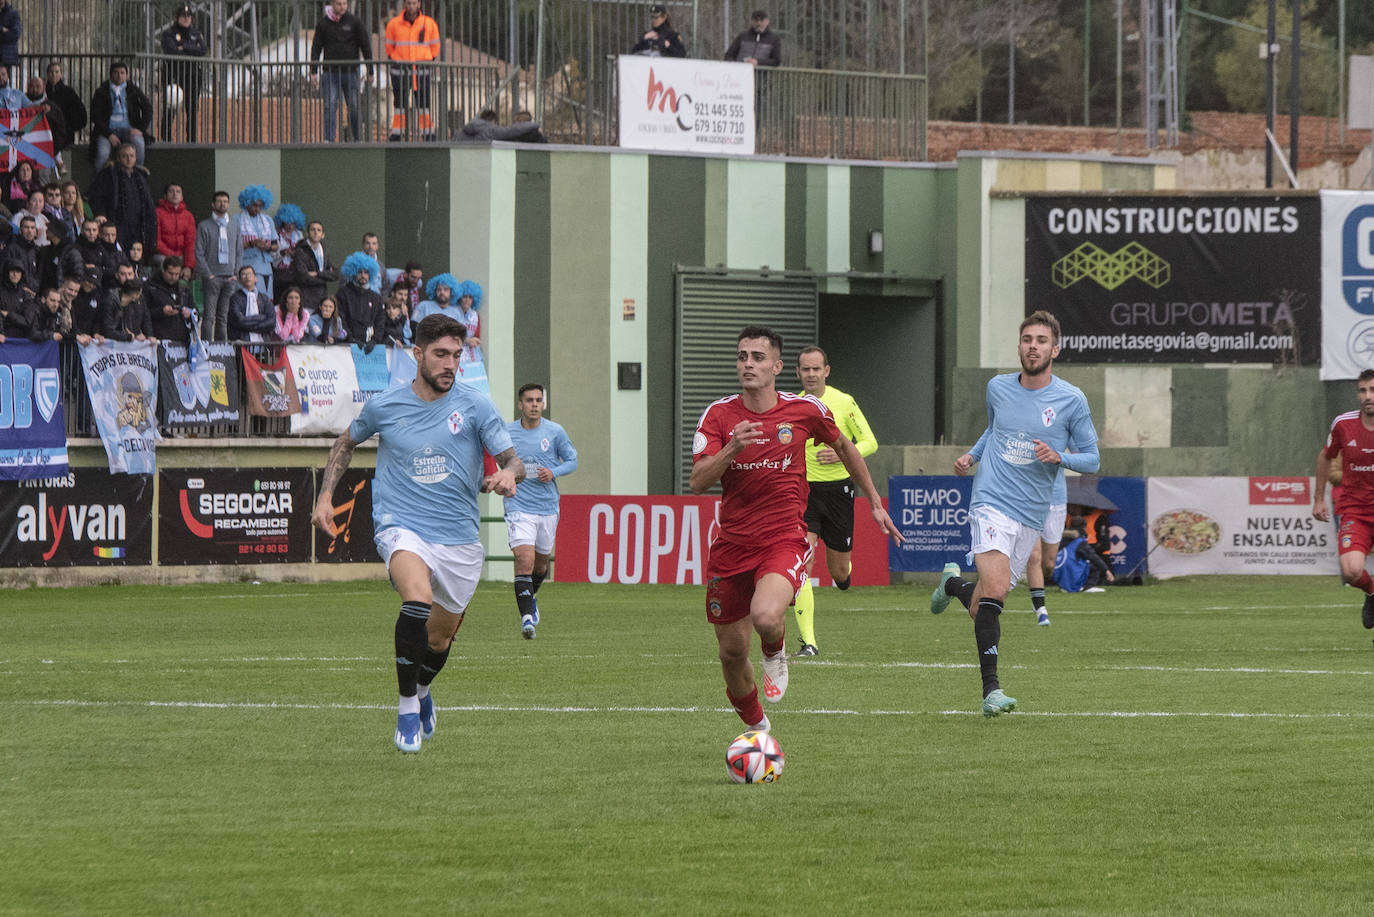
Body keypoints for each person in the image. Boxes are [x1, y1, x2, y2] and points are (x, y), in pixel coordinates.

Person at [312, 312, 525, 753]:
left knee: (439, 638)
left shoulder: (475, 406)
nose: (450, 364)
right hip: (401, 526)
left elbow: (513, 459)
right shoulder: (385, 406)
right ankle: (407, 705)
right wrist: (324, 495)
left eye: (457, 355)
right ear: (418, 355)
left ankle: (423, 689)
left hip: (459, 538)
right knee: (416, 598)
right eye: (441, 354)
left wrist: (508, 474)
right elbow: (345, 443)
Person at [690, 326, 900, 735]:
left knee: (766, 614)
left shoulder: (803, 411)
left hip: (784, 536)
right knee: (731, 653)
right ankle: (758, 728)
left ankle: (775, 651)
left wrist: (874, 501)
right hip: (731, 545)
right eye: (742, 356)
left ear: (777, 366)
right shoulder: (719, 415)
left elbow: (845, 447)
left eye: (757, 357)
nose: (748, 363)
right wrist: (733, 447)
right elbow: (698, 481)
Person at [932, 310, 1100, 717]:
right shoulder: (997, 387)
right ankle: (992, 691)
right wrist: (973, 455)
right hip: (991, 499)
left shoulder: (1071, 399)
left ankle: (953, 584)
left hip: (1031, 511)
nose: (1033, 346)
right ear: (1020, 345)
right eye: (1027, 339)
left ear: (1055, 350)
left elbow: (1093, 459)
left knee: (986, 600)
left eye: (1041, 340)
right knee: (1000, 588)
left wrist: (1060, 456)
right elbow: (995, 430)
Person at [790, 346, 878, 656]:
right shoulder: (794, 405)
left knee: (839, 573)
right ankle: (809, 642)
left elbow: (870, 441)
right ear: (798, 372)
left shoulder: (844, 402)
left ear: (826, 371)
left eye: (816, 369)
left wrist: (842, 452)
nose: (811, 374)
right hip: (805, 493)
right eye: (805, 369)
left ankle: (843, 573)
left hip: (840, 492)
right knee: (803, 563)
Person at [503, 382, 579, 639]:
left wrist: (554, 472)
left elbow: (573, 460)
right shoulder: (507, 432)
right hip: (518, 505)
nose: (534, 405)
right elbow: (495, 460)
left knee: (540, 566)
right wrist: (503, 480)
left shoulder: (555, 432)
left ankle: (531, 596)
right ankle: (526, 619)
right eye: (529, 400)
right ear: (520, 404)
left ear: (543, 404)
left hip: (547, 506)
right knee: (524, 561)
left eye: (538, 400)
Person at [1313, 368, 1374, 629]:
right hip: (1355, 511)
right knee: (1350, 572)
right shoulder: (1343, 424)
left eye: (1372, 389)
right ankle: (1372, 593)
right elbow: (1326, 457)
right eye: (1363, 390)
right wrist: (1318, 500)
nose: (1367, 396)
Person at [311, 0, 372, 143]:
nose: (342, 7)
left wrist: (371, 70)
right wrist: (313, 70)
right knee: (329, 105)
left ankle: (358, 139)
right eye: (339, 4)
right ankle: (329, 139)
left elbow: (365, 45)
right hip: (330, 72)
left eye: (345, 3)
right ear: (332, 4)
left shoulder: (354, 22)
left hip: (351, 73)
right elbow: (316, 47)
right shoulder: (323, 24)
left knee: (355, 106)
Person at [86, 142, 158, 254]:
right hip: (117, 223)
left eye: (131, 156)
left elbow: (148, 204)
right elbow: (95, 195)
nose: (128, 159)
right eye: (124, 156)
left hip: (137, 226)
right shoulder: (108, 174)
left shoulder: (140, 176)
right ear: (118, 158)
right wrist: (100, 213)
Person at [385, 0, 440, 142]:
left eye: (414, 3)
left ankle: (428, 133)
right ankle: (397, 133)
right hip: (401, 71)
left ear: (419, 4)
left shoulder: (429, 23)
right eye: (409, 3)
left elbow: (435, 47)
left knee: (424, 105)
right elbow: (389, 48)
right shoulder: (394, 24)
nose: (411, 6)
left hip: (422, 71)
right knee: (399, 105)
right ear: (404, 4)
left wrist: (427, 60)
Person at [194, 190, 242, 341]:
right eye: (220, 201)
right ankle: (207, 348)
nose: (223, 204)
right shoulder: (204, 226)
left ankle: (222, 350)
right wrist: (208, 274)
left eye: (226, 201)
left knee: (223, 316)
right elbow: (199, 253)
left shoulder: (234, 225)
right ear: (213, 204)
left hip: (230, 277)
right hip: (212, 277)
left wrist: (236, 273)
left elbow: (239, 251)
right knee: (209, 316)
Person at [89, 61, 154, 171]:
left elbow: (148, 108)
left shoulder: (133, 90)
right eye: (116, 73)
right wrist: (109, 134)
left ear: (127, 75)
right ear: (111, 75)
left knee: (139, 145)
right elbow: (95, 116)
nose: (119, 76)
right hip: (107, 131)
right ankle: (100, 184)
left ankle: (137, 179)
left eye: (122, 73)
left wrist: (140, 129)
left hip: (129, 129)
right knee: (102, 154)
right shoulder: (102, 91)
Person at [160, 3, 207, 142]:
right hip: (174, 75)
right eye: (183, 16)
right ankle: (166, 139)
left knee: (192, 109)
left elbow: (203, 50)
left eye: (188, 16)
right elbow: (171, 50)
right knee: (171, 106)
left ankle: (191, 140)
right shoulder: (169, 33)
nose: (186, 19)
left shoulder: (196, 33)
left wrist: (183, 47)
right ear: (177, 17)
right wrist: (191, 48)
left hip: (192, 76)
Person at [236, 185, 277, 300]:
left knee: (266, 299)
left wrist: (266, 247)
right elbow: (233, 246)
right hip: (246, 265)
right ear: (247, 203)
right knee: (248, 298)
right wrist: (251, 243)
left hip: (265, 266)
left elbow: (275, 245)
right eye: (254, 205)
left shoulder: (268, 220)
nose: (257, 209)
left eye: (260, 206)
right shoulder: (236, 219)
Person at [289, 219, 337, 313]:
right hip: (306, 298)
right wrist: (325, 276)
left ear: (323, 235)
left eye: (319, 230)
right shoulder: (300, 251)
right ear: (307, 233)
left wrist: (316, 273)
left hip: (322, 299)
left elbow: (335, 274)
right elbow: (303, 277)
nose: (315, 232)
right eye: (313, 230)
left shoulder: (325, 252)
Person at [145, 254, 195, 343]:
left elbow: (195, 310)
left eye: (177, 274)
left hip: (182, 340)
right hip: (159, 339)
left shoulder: (184, 288)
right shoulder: (150, 287)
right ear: (163, 270)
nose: (174, 277)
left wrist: (190, 314)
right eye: (171, 273)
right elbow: (144, 313)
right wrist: (161, 312)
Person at [336, 251, 383, 343]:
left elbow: (380, 322)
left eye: (366, 272)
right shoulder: (343, 293)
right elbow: (341, 319)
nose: (363, 275)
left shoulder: (376, 298)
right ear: (353, 272)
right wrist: (350, 338)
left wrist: (375, 341)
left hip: (370, 347)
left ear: (371, 274)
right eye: (359, 272)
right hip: (347, 345)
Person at [228, 264, 277, 342]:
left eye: (250, 274)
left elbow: (272, 322)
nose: (247, 277)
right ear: (239, 280)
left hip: (264, 342)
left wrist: (248, 322)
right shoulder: (235, 298)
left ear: (256, 278)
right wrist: (262, 318)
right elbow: (239, 321)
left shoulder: (264, 298)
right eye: (244, 275)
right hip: (242, 341)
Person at [46, 62, 87, 153]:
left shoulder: (69, 92)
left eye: (57, 72)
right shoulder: (43, 91)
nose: (54, 75)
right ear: (47, 74)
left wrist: (68, 127)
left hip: (65, 137)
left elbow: (81, 115)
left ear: (61, 74)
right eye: (51, 72)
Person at [155, 182, 195, 271]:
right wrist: (173, 257)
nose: (175, 194)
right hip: (163, 255)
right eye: (171, 191)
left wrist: (188, 266)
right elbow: (157, 241)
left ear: (182, 197)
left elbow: (190, 244)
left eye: (178, 191)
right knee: (166, 263)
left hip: (182, 257)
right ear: (165, 196)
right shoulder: (157, 213)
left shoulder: (188, 216)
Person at [101, 278, 154, 342]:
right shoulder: (109, 301)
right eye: (139, 294)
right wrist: (127, 337)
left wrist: (140, 334)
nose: (140, 296)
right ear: (135, 295)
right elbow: (108, 330)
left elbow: (142, 320)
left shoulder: (134, 303)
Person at [458, 109, 547, 144]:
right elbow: (512, 130)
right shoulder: (491, 131)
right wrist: (536, 125)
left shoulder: (463, 133)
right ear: (493, 122)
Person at [377, 282, 411, 347]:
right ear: (393, 293)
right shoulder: (384, 308)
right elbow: (383, 332)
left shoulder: (405, 309)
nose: (403, 298)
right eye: (400, 294)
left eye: (405, 295)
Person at [0, 2, 19, 83]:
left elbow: (15, 34)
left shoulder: (13, 14)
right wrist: (3, 29)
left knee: (4, 83)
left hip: (5, 57)